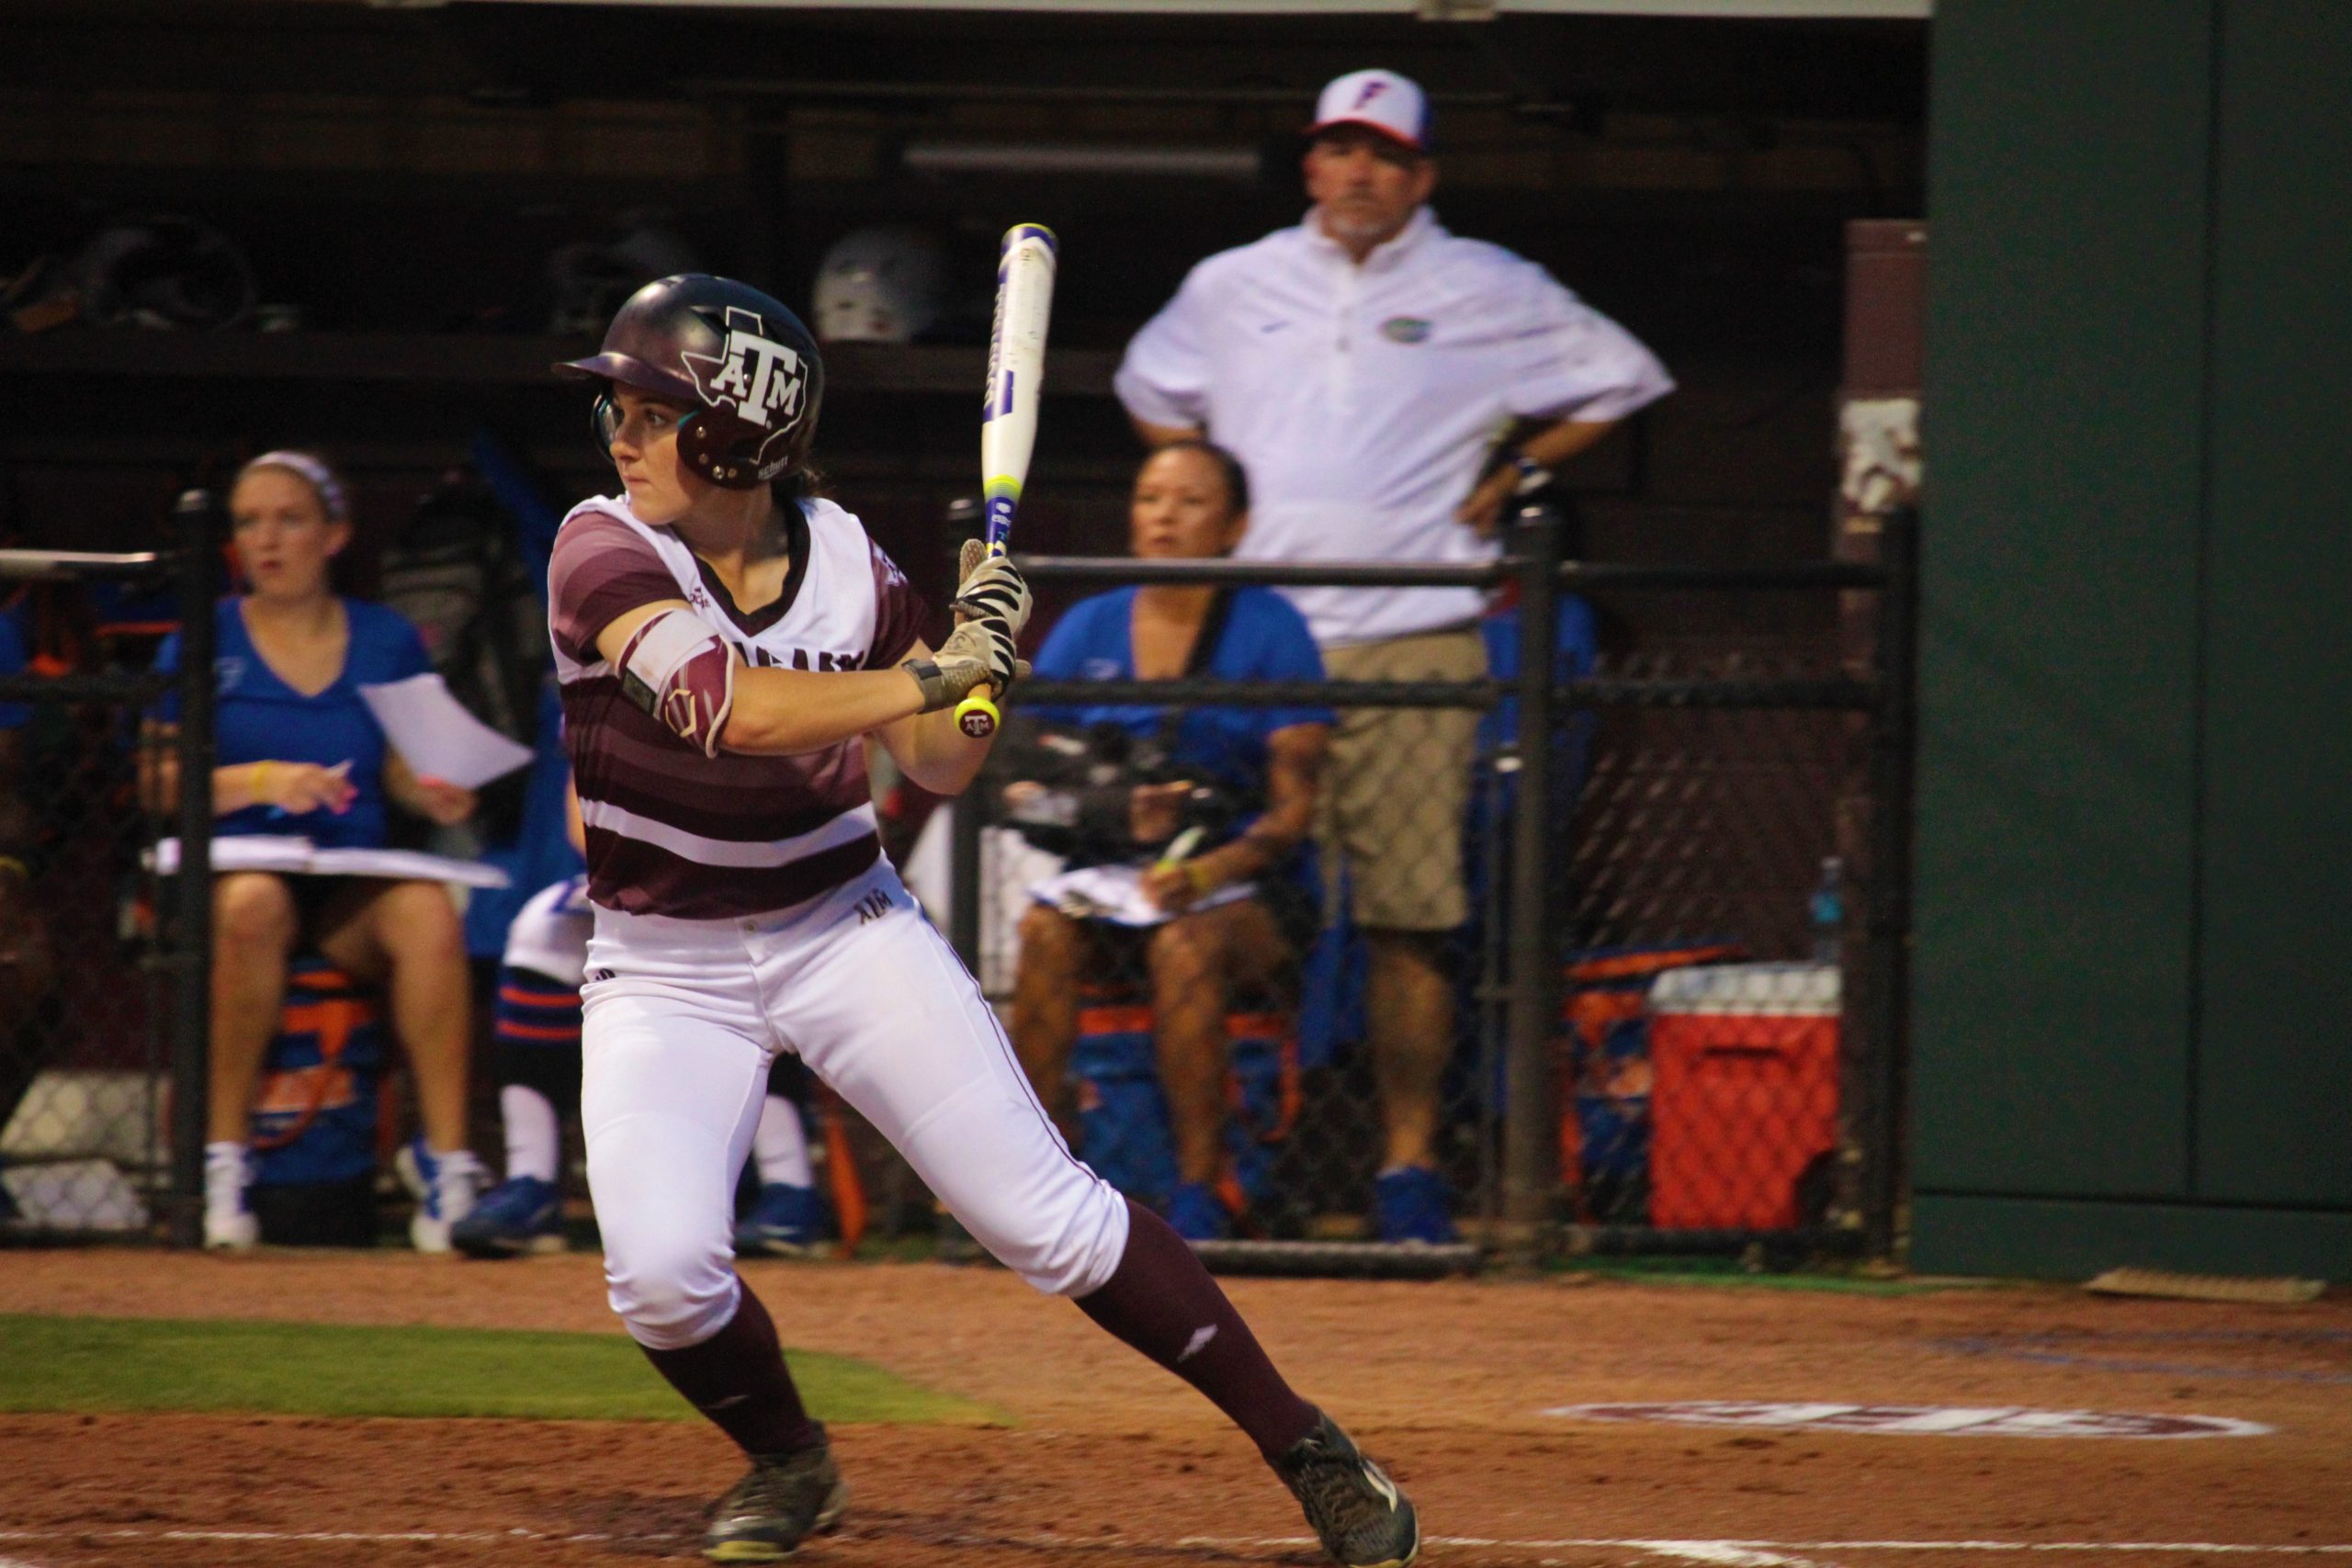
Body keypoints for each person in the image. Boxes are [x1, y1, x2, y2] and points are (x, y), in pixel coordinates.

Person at [546, 272, 1417, 1567]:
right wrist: (929, 668)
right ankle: (791, 1458)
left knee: (1043, 1217)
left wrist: (979, 670)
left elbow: (942, 761)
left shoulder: (850, 560)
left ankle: (1310, 1447)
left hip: (841, 924)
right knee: (664, 1276)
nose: (622, 433)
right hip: (663, 961)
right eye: (622, 406)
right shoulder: (600, 542)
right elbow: (729, 707)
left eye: (653, 410)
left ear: (744, 428)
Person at [1114, 67, 1674, 1244]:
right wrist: (1213, 501)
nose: (1358, 171)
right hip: (1262, 639)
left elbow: (1625, 373)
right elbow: (1149, 387)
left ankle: (1408, 1175)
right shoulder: (1233, 283)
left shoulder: (1486, 283)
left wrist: (1518, 471)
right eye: (1338, 149)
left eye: (1383, 154)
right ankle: (1207, 1181)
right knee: (1211, 905)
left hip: (1416, 635)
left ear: (1421, 174)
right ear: (1311, 164)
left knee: (1409, 920)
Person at [145, 451, 485, 1252]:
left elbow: (405, 766)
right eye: (249, 521)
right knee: (254, 902)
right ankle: (222, 1160)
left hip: (346, 883)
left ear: (333, 534)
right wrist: (259, 779)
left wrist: (431, 790)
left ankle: (448, 1165)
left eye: (289, 519)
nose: (267, 539)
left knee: (430, 915)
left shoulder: (385, 637)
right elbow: (157, 780)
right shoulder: (204, 638)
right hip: (233, 881)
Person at [1006, 441, 1329, 1243]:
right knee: (1042, 930)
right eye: (1152, 498)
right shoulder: (1091, 623)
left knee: (1184, 945)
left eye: (1190, 501)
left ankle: (1198, 1190)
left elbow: (1294, 812)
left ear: (1235, 524)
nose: (1165, 516)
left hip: (1240, 885)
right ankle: (1040, 1176)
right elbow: (1025, 777)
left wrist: (1208, 864)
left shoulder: (1273, 626)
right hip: (1112, 872)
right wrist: (1113, 809)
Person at [454, 788, 831, 1259]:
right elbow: (583, 812)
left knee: (736, 942)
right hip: (640, 876)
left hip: (774, 877)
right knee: (541, 933)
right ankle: (532, 1181)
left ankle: (789, 1187)